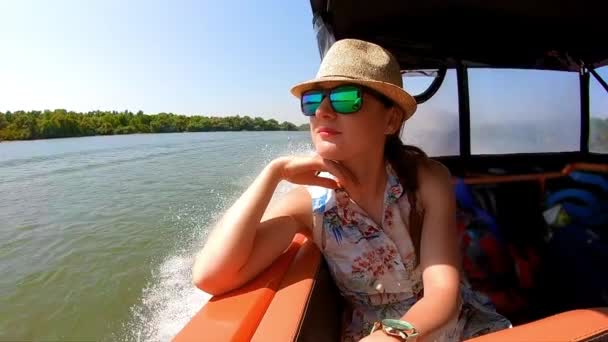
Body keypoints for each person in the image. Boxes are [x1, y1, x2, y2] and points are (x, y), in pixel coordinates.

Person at [192, 38, 512, 341]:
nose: (322, 111)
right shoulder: (308, 205)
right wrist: (272, 174)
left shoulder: (427, 179)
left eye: (346, 98)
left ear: (390, 120)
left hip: (449, 326)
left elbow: (442, 292)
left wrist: (392, 336)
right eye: (313, 101)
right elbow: (212, 276)